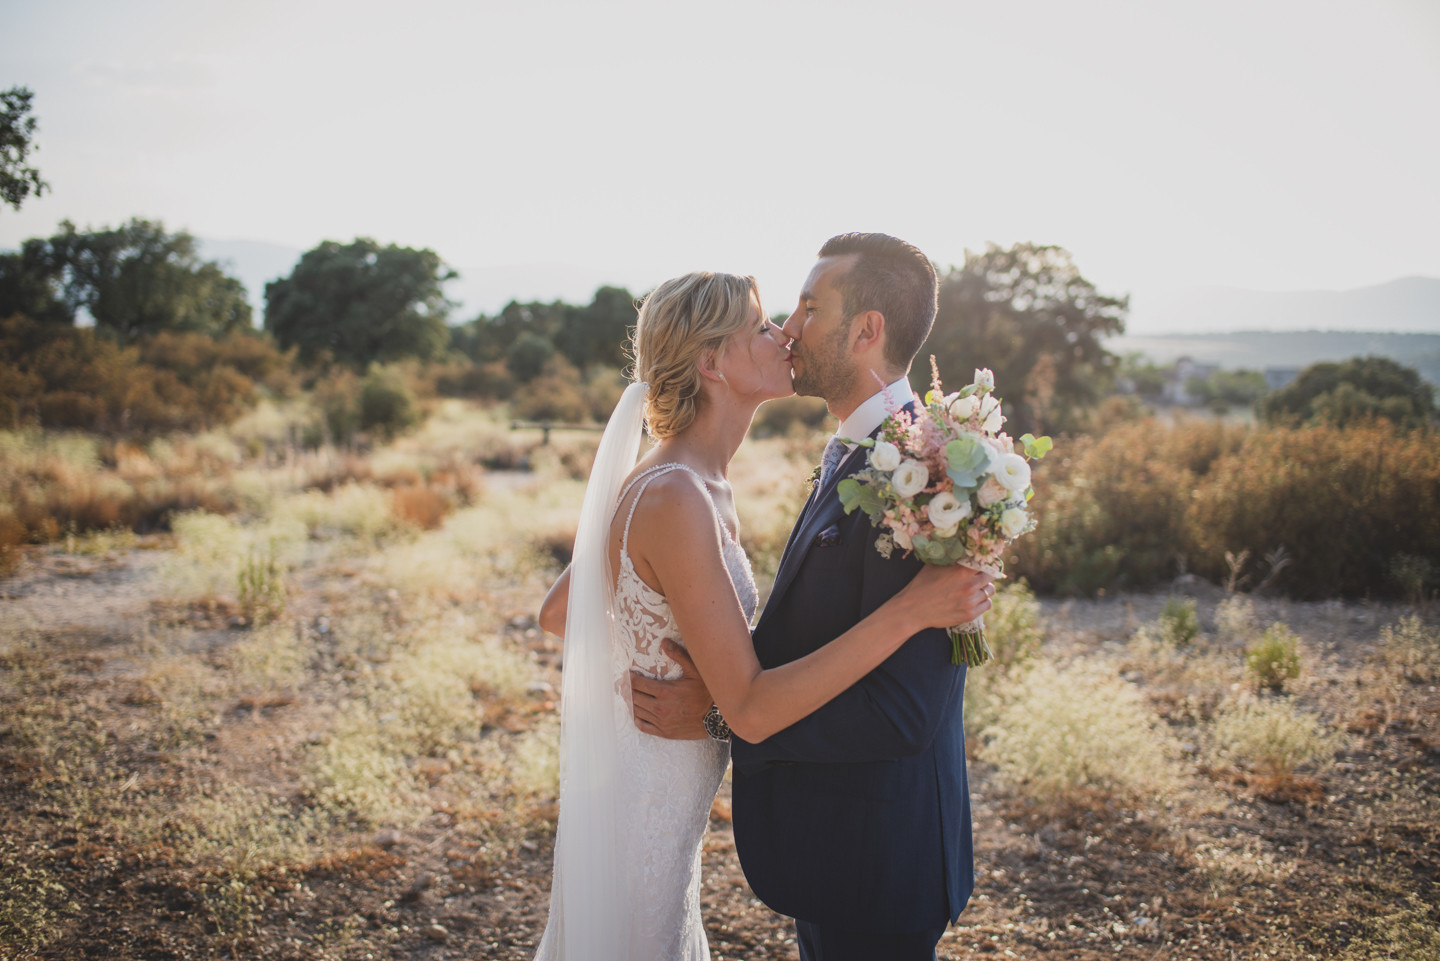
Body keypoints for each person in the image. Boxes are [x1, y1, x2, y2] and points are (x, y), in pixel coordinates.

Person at [532, 269, 994, 961]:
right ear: (712, 362)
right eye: (761, 325)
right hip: (648, 805)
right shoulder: (678, 494)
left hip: (660, 791)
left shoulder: (683, 477)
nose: (784, 331)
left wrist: (674, 654)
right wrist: (910, 611)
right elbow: (741, 701)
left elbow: (560, 611)